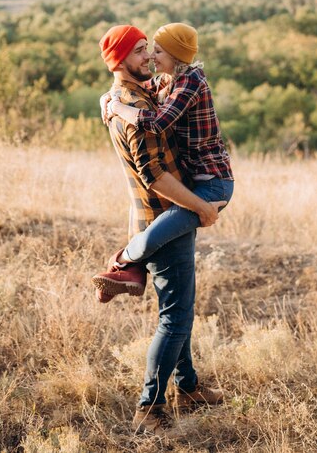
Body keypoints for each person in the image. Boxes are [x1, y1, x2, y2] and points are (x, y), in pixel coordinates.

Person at [92, 24, 224, 436]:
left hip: (166, 214)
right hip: (165, 212)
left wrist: (109, 99)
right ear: (119, 62)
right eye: (139, 52)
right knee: (176, 318)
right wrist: (202, 206)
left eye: (150, 50)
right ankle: (148, 406)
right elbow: (155, 176)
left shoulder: (128, 97)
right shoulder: (129, 104)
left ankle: (188, 388)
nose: (148, 58)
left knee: (179, 309)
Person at [93, 22, 233, 293]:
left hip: (214, 183)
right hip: (193, 186)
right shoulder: (166, 81)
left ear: (175, 55)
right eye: (145, 51)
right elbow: (132, 84)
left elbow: (157, 122)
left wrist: (118, 107)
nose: (151, 57)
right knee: (158, 240)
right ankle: (129, 271)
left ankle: (121, 262)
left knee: (155, 236)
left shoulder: (191, 81)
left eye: (156, 51)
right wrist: (107, 98)